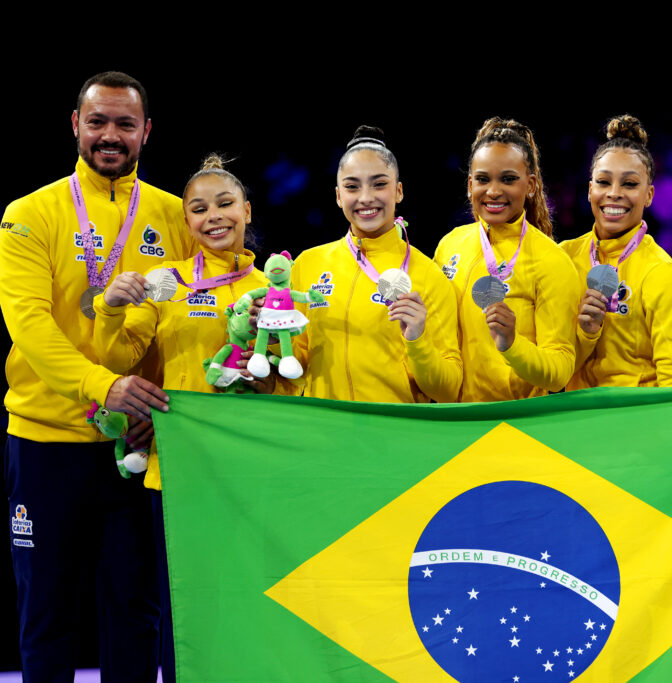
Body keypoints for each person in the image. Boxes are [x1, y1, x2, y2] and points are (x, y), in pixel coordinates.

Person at [0, 71, 197, 681]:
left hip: (133, 446)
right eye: (98, 122)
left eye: (124, 124)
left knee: (134, 613)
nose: (110, 136)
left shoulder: (177, 214)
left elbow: (188, 323)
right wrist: (103, 386)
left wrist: (165, 417)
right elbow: (29, 326)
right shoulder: (29, 214)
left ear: (146, 132)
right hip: (46, 439)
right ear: (76, 126)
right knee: (48, 612)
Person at [92, 154, 273, 682]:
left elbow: (290, 378)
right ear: (187, 221)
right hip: (177, 473)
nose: (213, 216)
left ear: (246, 209)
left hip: (248, 471)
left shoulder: (270, 286)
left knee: (244, 598)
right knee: (183, 606)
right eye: (198, 209)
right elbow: (118, 360)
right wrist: (110, 309)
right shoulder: (164, 283)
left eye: (224, 204)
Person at [286, 126, 461, 403]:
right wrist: (273, 340)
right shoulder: (307, 264)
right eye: (352, 186)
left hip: (394, 436)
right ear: (338, 196)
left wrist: (417, 340)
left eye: (379, 184)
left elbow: (448, 391)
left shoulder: (428, 274)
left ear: (399, 191)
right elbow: (294, 371)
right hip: (325, 435)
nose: (366, 197)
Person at [434, 118, 576, 401]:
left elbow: (561, 370)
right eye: (483, 179)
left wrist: (513, 344)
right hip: (455, 423)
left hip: (518, 424)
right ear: (470, 184)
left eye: (508, 179)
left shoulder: (552, 260)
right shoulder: (449, 246)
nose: (494, 191)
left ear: (531, 185)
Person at [559, 115, 672, 388]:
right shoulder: (563, 258)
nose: (614, 193)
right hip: (571, 423)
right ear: (589, 190)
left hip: (637, 424)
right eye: (604, 182)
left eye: (630, 184)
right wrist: (585, 334)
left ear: (649, 195)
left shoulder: (663, 274)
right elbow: (549, 368)